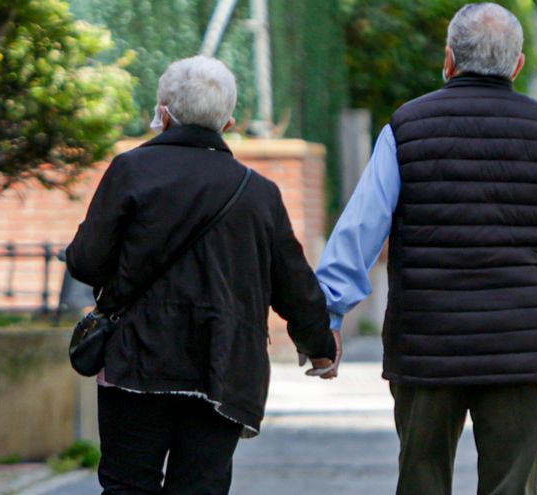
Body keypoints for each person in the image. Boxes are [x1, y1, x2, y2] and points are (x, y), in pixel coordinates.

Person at [316, 4, 537, 494]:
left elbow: (359, 232)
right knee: (511, 487)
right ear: (518, 66)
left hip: (426, 344)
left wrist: (327, 317)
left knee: (421, 481)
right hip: (522, 344)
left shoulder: (406, 128)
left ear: (448, 59)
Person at [65, 56, 337, 495]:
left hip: (138, 358)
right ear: (228, 123)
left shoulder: (130, 171)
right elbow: (293, 282)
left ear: (163, 114)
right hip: (224, 365)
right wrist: (321, 347)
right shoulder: (259, 193)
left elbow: (86, 262)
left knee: (126, 485)